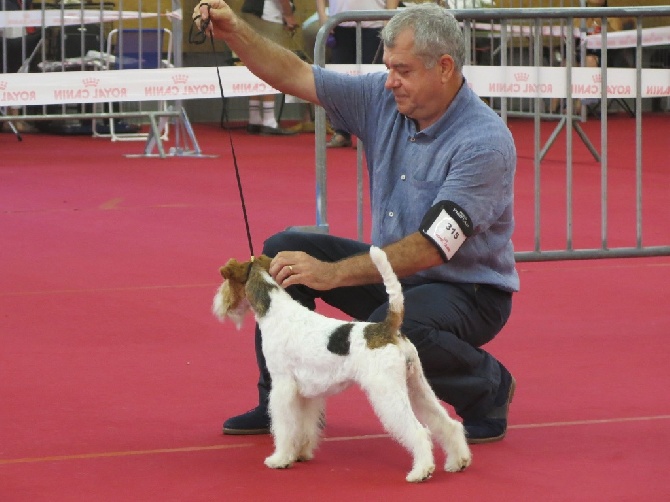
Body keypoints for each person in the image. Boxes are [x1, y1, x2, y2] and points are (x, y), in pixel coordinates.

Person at [194, 1, 519, 444]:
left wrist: (331, 274)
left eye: (402, 69)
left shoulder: (483, 142)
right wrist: (233, 30)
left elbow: (429, 247)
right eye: (388, 68)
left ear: (444, 67)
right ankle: (282, 401)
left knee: (395, 328)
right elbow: (292, 73)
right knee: (284, 250)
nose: (390, 82)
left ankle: (489, 387)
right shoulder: (381, 99)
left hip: (467, 290)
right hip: (395, 275)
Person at [316, 0, 400, 147]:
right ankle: (341, 131)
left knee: (372, 82)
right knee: (339, 82)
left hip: (375, 23)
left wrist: (388, 17)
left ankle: (370, 132)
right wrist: (322, 14)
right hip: (339, 23)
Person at [238, 0, 299, 135]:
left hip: (251, 12)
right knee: (270, 65)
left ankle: (254, 118)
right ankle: (269, 120)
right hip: (268, 16)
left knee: (254, 64)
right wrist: (288, 14)